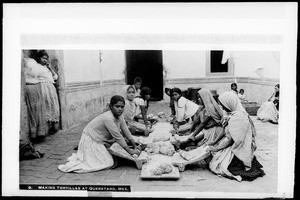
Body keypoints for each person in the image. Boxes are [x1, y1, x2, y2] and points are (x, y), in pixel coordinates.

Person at [58, 95, 141, 173]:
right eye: (117, 106)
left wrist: (134, 146)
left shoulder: (120, 116)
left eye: (122, 107)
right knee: (108, 163)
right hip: (91, 139)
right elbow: (118, 136)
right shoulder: (108, 118)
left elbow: (126, 130)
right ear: (111, 107)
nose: (120, 109)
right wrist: (130, 151)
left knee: (117, 147)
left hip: (100, 138)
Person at [206, 91, 265, 181]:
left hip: (239, 147)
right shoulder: (231, 114)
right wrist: (214, 142)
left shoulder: (238, 117)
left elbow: (233, 140)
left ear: (229, 103)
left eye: (223, 105)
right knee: (212, 157)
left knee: (221, 165)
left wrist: (217, 148)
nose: (222, 107)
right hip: (230, 142)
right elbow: (225, 130)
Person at [24, 50, 60, 142]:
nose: (45, 60)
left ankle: (52, 126)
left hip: (51, 89)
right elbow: (34, 76)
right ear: (38, 58)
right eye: (43, 58)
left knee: (52, 106)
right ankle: (44, 129)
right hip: (43, 88)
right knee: (45, 107)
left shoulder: (47, 68)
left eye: (46, 59)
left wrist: (50, 68)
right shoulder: (37, 67)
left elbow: (55, 77)